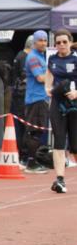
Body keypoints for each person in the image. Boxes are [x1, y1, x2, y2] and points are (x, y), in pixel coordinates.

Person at [47, 30, 77, 193]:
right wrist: (47, 88)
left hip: (75, 104)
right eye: (58, 42)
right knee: (58, 141)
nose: (62, 45)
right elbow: (49, 77)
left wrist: (76, 92)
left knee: (75, 145)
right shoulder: (52, 59)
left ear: (70, 42)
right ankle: (60, 180)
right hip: (58, 104)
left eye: (65, 41)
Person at [23, 30, 51, 174]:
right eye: (40, 40)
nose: (43, 43)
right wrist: (55, 77)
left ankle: (32, 160)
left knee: (37, 131)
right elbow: (40, 78)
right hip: (36, 99)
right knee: (34, 131)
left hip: (40, 98)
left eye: (45, 40)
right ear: (34, 42)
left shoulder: (40, 56)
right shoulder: (33, 57)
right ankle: (31, 163)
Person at [11, 35, 33, 159]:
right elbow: (25, 76)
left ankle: (23, 152)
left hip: (19, 93)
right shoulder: (25, 57)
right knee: (24, 124)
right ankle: (24, 153)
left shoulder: (19, 55)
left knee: (22, 124)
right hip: (22, 94)